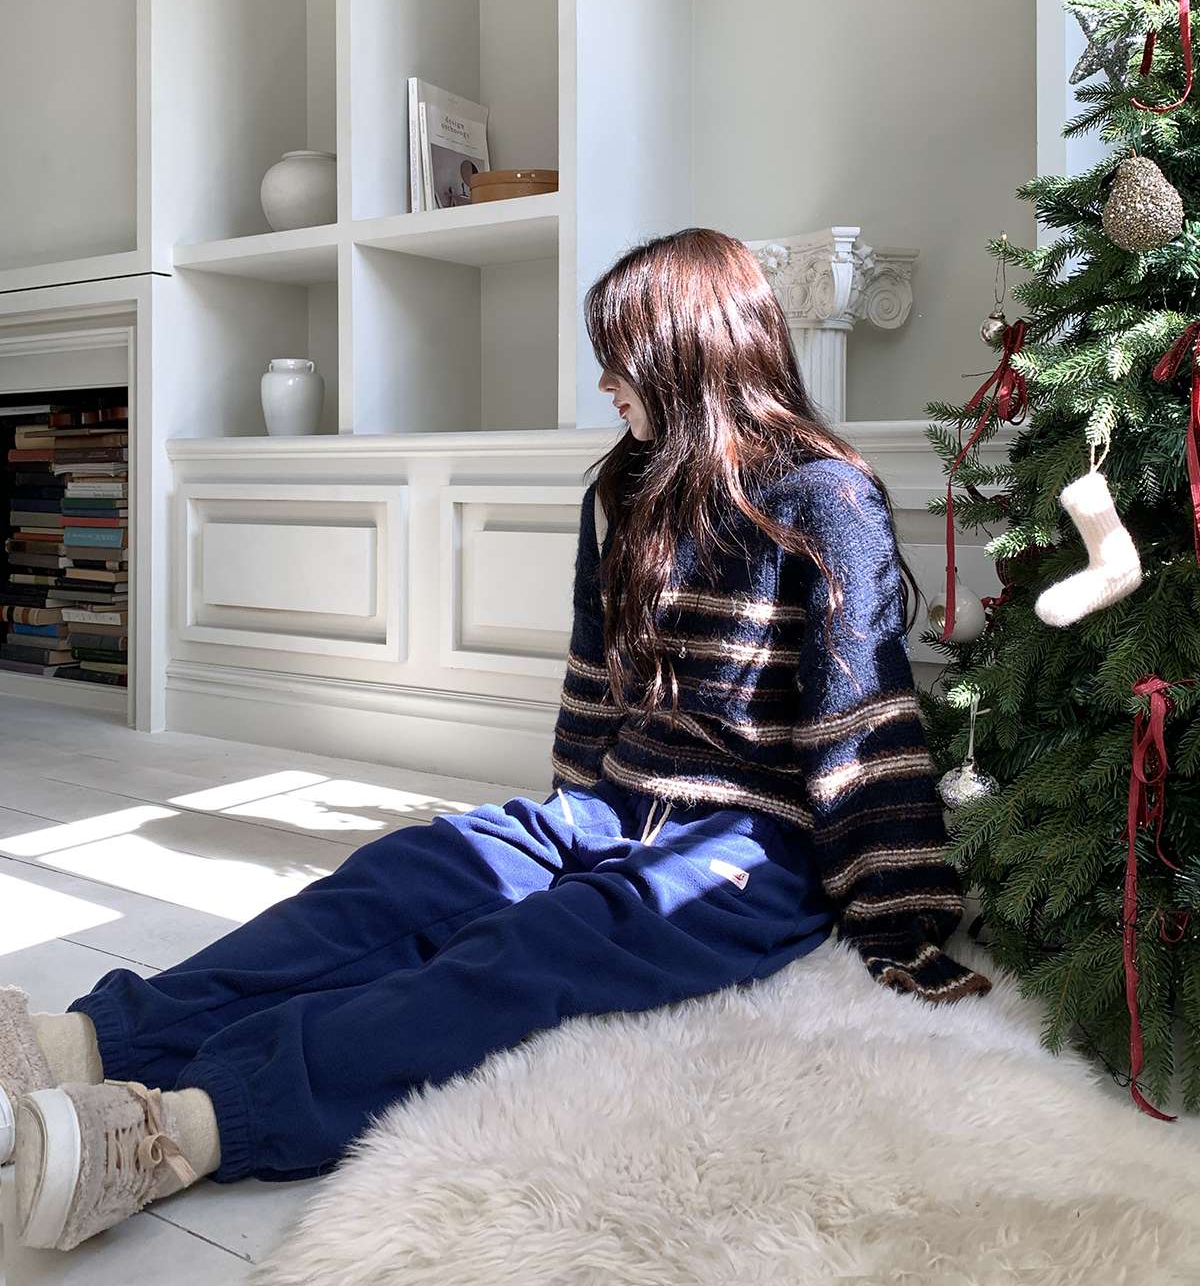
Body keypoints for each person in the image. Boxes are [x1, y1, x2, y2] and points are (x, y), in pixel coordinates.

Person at [0, 227, 990, 1253]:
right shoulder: (622, 490)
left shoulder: (828, 497)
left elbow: (862, 721)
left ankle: (182, 1130)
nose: (605, 381)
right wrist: (555, 834)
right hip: (612, 806)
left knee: (531, 952)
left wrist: (899, 920)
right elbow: (594, 690)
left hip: (751, 848)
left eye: (620, 356)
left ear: (689, 353)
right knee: (406, 877)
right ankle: (83, 1043)